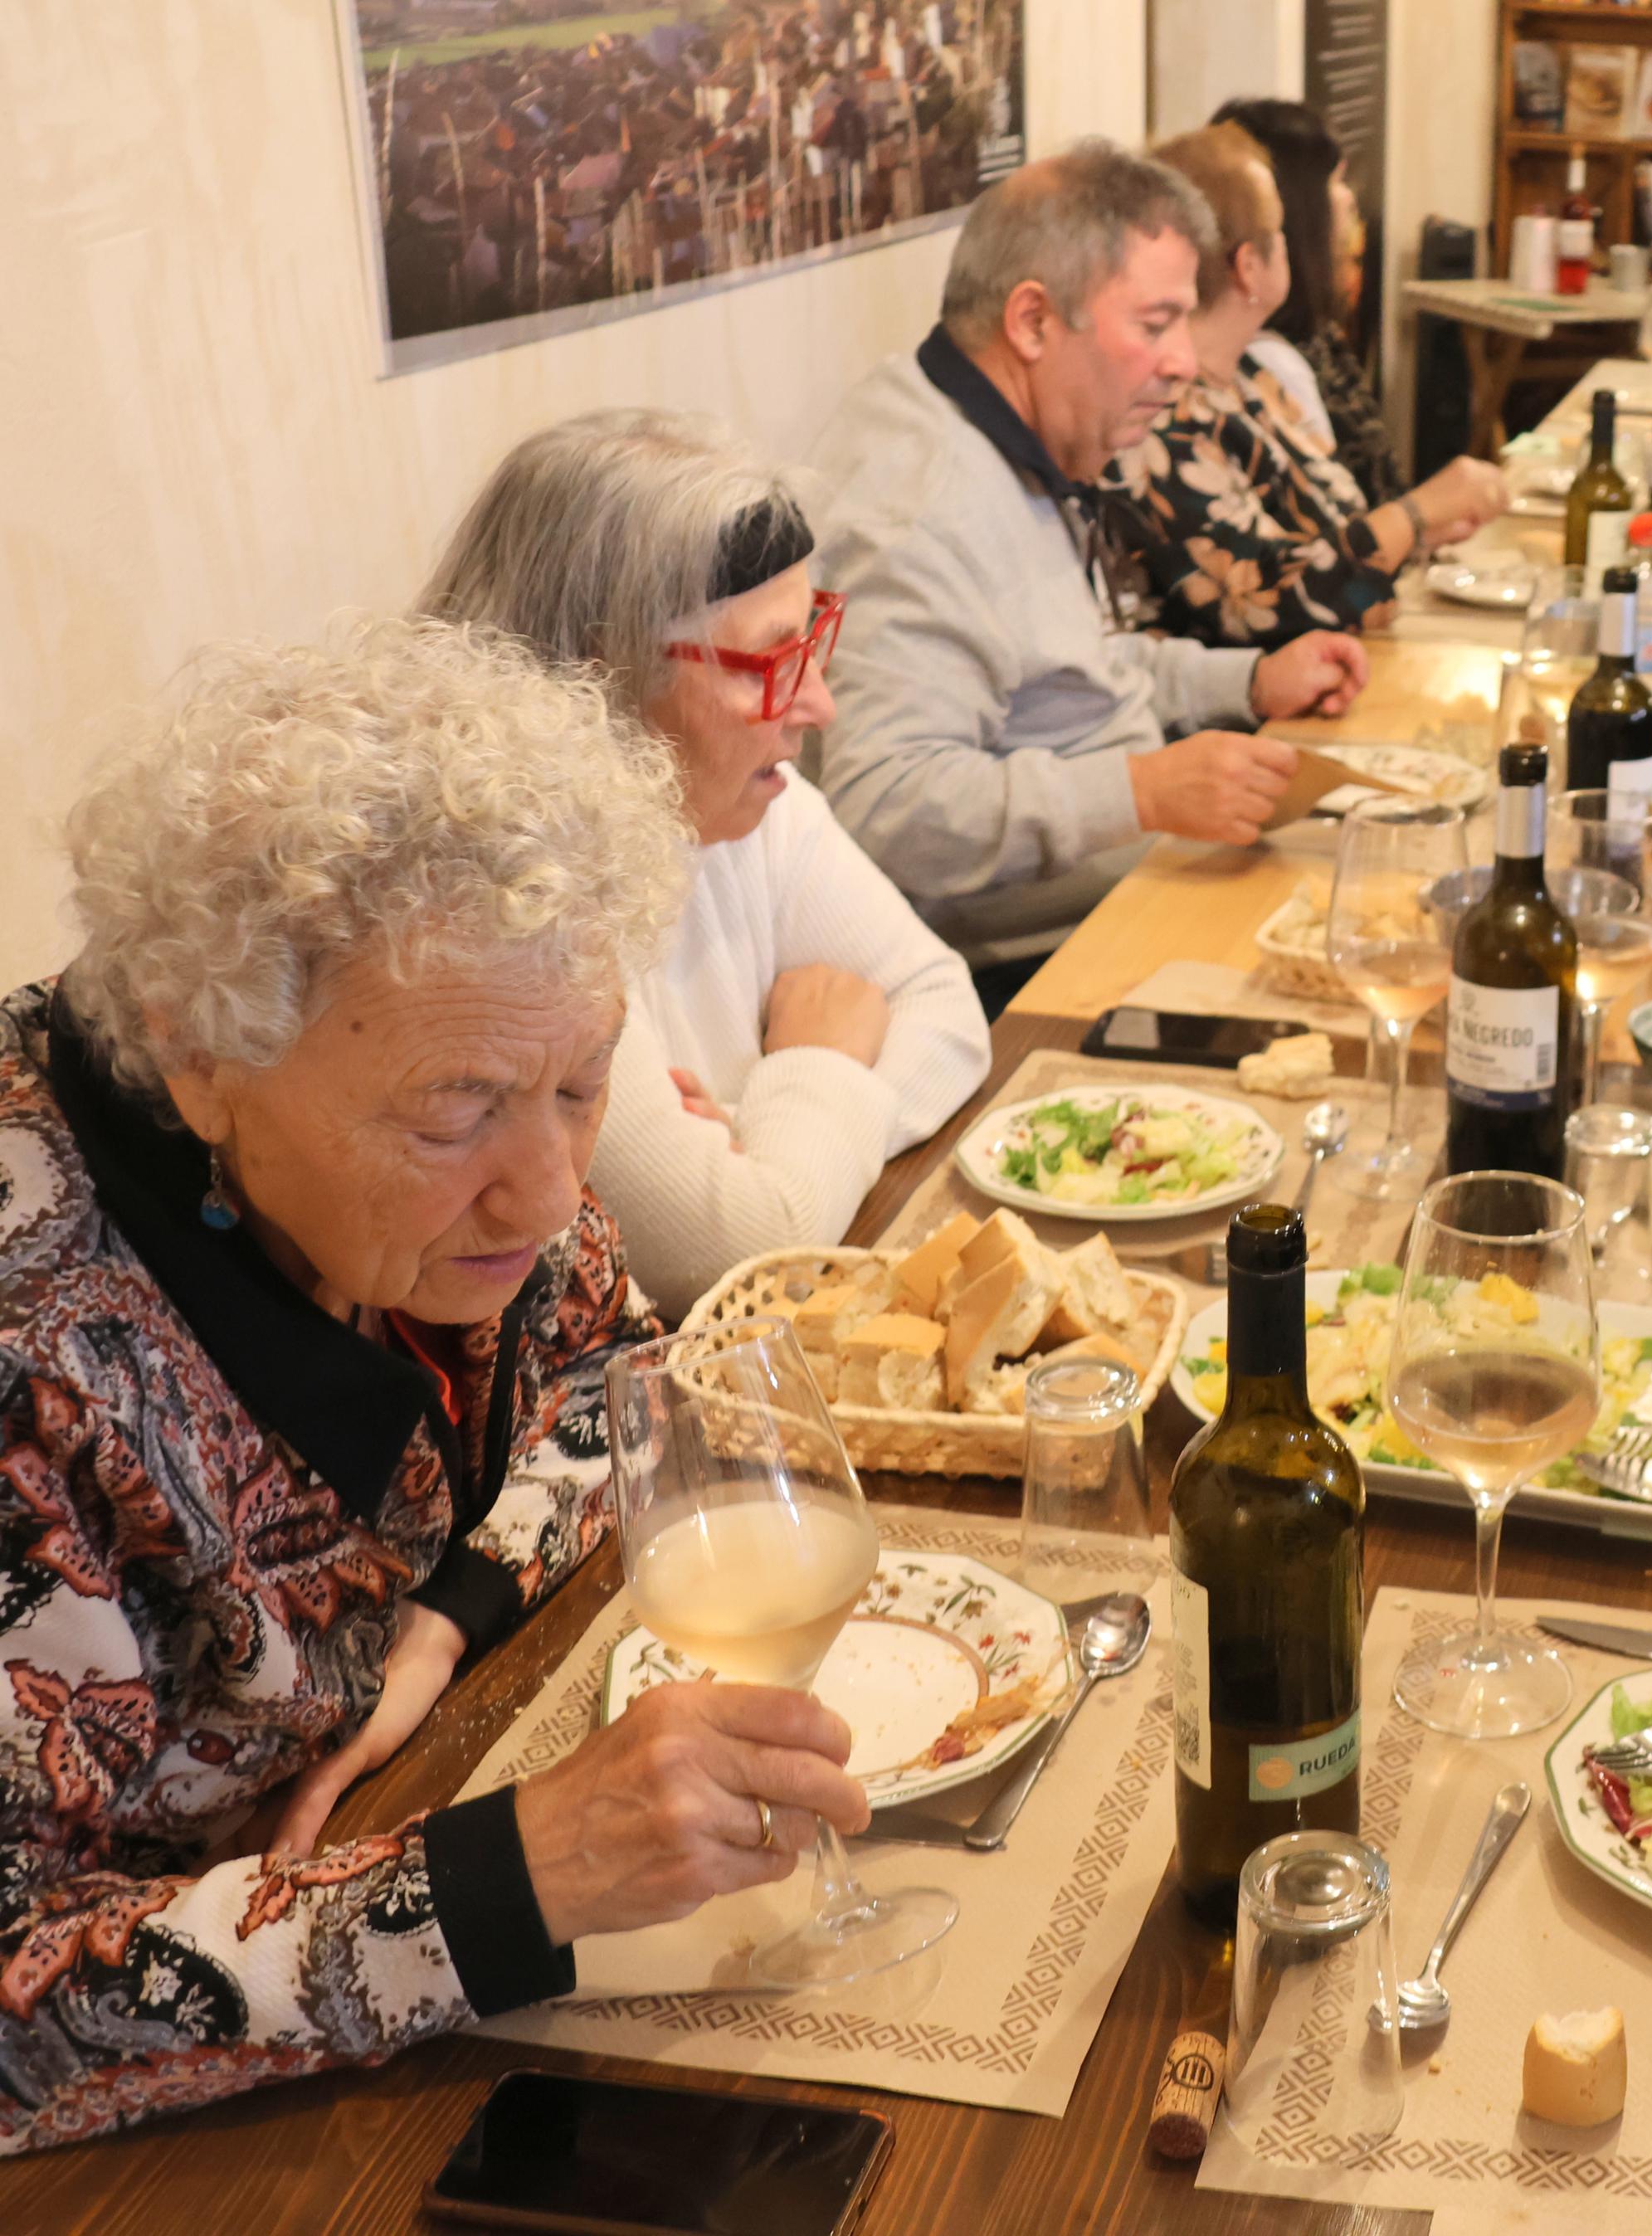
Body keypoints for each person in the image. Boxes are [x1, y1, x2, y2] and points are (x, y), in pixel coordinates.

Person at [0, 620, 875, 2154]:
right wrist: (510, 1876)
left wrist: (436, 1630)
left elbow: (616, 1378)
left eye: (582, 1085)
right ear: (200, 1056)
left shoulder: (459, 1092)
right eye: (455, 1111)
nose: (544, 1196)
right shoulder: (36, 1364)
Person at [419, 410, 990, 1318]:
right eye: (769, 661)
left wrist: (765, 1135)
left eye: (812, 641)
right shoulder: (517, 907)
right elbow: (735, 1252)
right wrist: (814, 1072)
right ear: (597, 672)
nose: (818, 704)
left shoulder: (745, 802)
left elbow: (947, 1009)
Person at [811, 141, 1372, 996]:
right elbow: (887, 807)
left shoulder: (1014, 435)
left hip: (1127, 898)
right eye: (1155, 324)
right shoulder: (922, 510)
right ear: (1033, 321)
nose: (1183, 360)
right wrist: (1139, 791)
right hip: (1031, 975)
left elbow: (1066, 669)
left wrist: (1249, 680)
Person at [1101, 126, 1505, 653]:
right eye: (1280, 228)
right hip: (1249, 716)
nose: (1294, 242)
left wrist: (1418, 539)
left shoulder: (1250, 377)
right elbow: (1276, 608)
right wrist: (1416, 513)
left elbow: (1334, 554)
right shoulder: (1163, 416)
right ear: (1248, 265)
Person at [1213, 95, 1400, 504]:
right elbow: (1337, 532)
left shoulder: (1315, 339)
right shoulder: (1270, 364)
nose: (1349, 199)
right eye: (1335, 182)